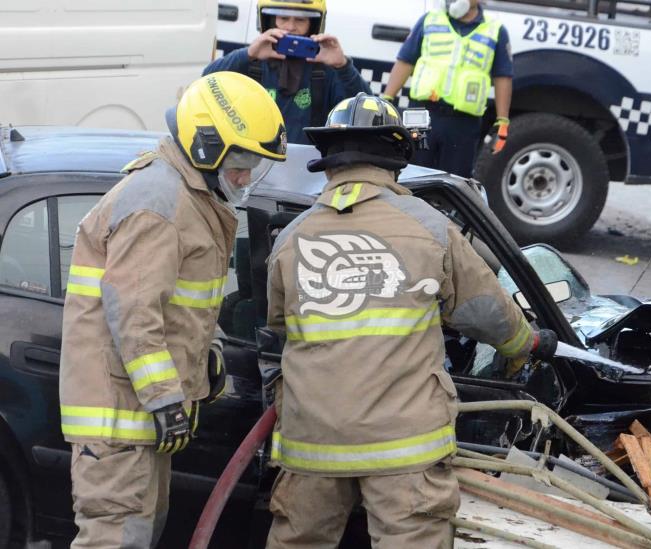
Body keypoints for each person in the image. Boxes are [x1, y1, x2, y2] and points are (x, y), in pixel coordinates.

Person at [264, 92, 557, 548]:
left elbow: (279, 330)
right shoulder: (431, 227)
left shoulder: (291, 239)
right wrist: (527, 345)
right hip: (403, 447)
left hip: (312, 443)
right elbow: (487, 314)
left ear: (329, 158)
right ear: (398, 153)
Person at [59, 71, 286, 548]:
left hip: (136, 419)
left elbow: (189, 305)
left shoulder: (189, 197)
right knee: (115, 538)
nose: (245, 177)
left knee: (139, 534)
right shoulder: (159, 203)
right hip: (121, 421)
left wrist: (212, 357)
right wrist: (164, 397)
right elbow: (135, 313)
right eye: (241, 162)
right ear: (205, 145)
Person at [203, 0, 372, 145]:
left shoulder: (323, 68)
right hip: (253, 164)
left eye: (300, 20)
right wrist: (247, 54)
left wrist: (343, 66)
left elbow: (367, 110)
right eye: (283, 18)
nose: (291, 27)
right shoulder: (253, 61)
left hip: (304, 169)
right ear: (269, 20)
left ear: (313, 24)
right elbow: (206, 83)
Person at [382, 0, 514, 178]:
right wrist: (387, 99)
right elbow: (406, 61)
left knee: (454, 181)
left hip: (463, 121)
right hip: (422, 114)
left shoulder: (495, 30)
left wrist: (503, 120)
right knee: (411, 175)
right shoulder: (430, 20)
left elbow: (503, 76)